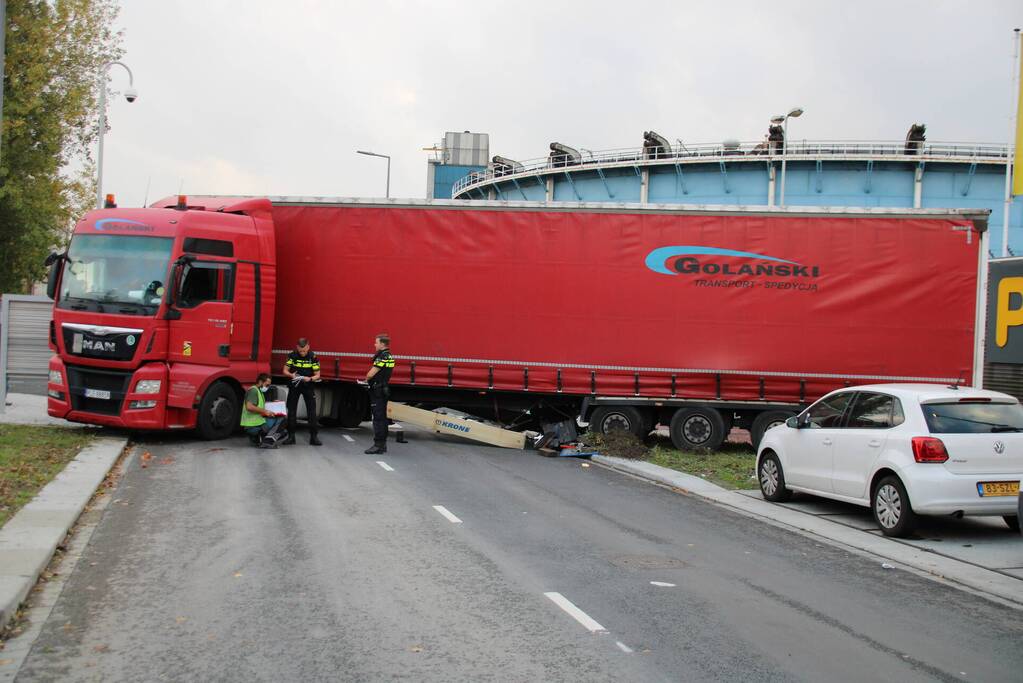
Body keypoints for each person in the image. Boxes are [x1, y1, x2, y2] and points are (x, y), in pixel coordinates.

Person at [282, 337, 322, 446]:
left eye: (304, 351)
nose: (303, 353)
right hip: (294, 385)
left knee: (311, 411)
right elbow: (284, 370)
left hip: (308, 385)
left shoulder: (313, 357)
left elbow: (318, 375)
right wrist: (291, 375)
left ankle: (314, 437)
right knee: (291, 411)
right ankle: (291, 437)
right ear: (297, 348)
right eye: (300, 351)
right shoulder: (292, 355)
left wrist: (310, 379)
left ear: (308, 347)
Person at [364, 333, 395, 455]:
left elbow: (371, 374)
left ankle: (378, 445)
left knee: (378, 419)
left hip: (378, 390)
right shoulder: (389, 356)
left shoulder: (382, 356)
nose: (374, 344)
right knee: (382, 418)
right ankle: (382, 445)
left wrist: (366, 380)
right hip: (383, 389)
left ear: (382, 344)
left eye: (376, 342)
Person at [241, 373, 286, 448]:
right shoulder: (253, 391)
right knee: (282, 419)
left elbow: (259, 406)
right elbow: (249, 407)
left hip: (256, 423)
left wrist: (274, 404)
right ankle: (267, 442)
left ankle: (259, 439)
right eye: (267, 385)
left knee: (283, 432)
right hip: (253, 426)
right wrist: (265, 411)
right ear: (260, 382)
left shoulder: (259, 391)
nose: (267, 387)